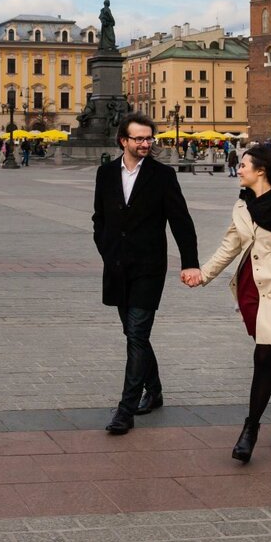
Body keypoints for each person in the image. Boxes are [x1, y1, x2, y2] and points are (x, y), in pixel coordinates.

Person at [188, 142, 271, 463]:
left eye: (244, 165)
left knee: (264, 355)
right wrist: (203, 274)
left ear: (261, 170)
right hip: (249, 289)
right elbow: (230, 245)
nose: (239, 169)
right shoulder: (242, 205)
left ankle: (250, 430)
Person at [92, 113, 201, 436]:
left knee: (137, 333)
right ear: (123, 141)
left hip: (149, 267)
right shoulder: (105, 173)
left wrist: (190, 262)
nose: (145, 143)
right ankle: (154, 390)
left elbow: (181, 221)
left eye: (148, 138)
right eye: (138, 138)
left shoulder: (162, 175)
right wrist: (105, 248)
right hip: (116, 266)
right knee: (133, 333)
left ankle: (125, 410)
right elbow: (99, 218)